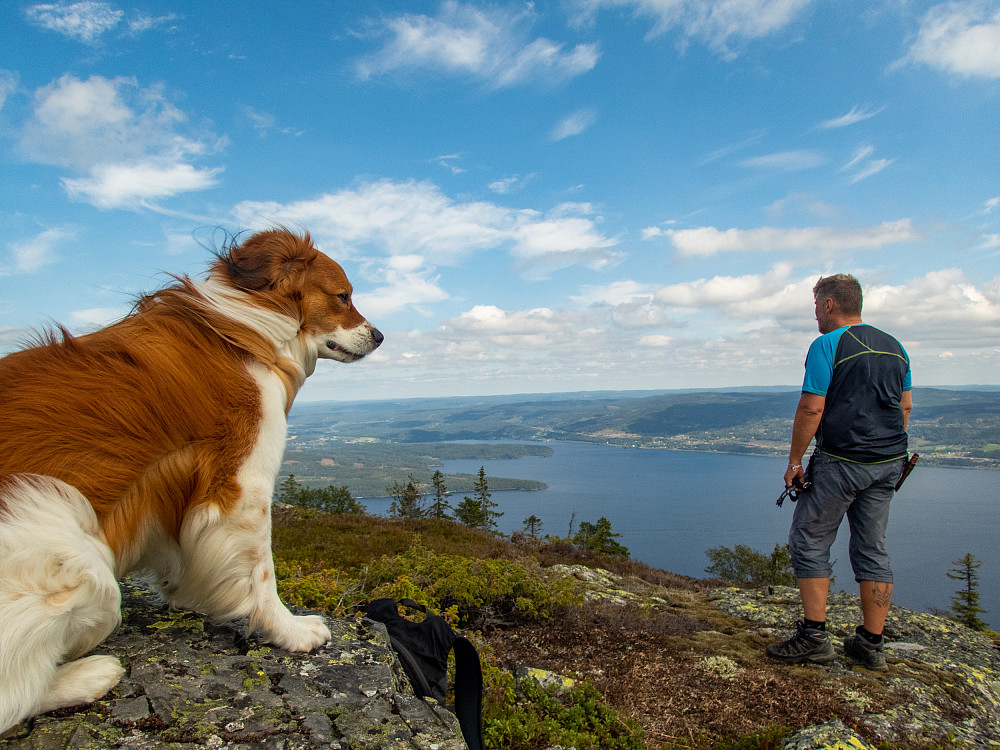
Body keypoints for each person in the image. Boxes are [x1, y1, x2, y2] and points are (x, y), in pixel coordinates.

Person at [766, 274, 912, 671]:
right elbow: (905, 408)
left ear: (829, 304)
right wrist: (884, 450)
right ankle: (870, 643)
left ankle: (814, 637)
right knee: (872, 547)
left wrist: (795, 462)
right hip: (888, 463)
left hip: (842, 461)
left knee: (809, 538)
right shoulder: (896, 347)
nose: (815, 314)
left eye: (816, 306)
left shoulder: (827, 345)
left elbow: (812, 408)